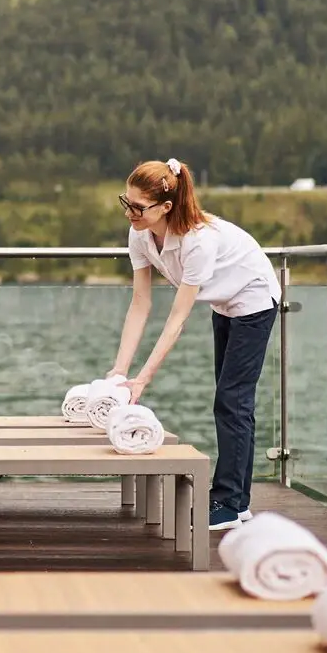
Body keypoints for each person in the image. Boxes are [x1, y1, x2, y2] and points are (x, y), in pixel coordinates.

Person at [107, 158, 281, 532]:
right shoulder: (140, 235)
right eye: (127, 203)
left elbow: (177, 319)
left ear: (165, 207)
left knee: (232, 399)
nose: (130, 213)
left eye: (139, 207)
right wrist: (120, 371)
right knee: (232, 400)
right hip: (224, 302)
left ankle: (231, 502)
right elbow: (141, 303)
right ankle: (237, 500)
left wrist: (143, 379)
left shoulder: (197, 241)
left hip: (253, 299)